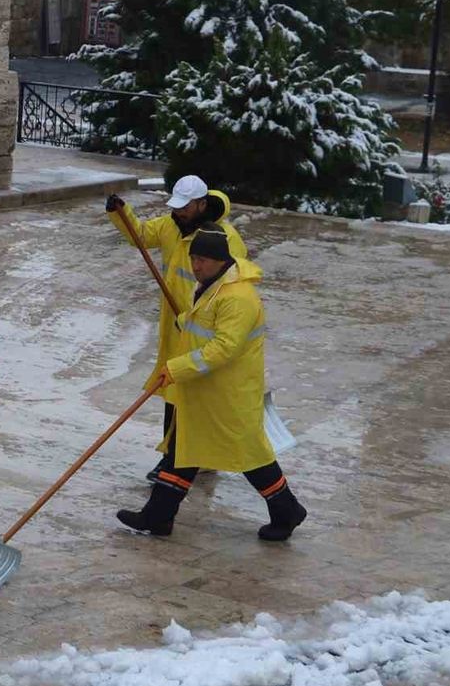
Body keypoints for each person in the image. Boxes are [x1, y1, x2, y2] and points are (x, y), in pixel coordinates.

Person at [115, 222, 307, 542]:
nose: (196, 266)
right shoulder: (212, 285)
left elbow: (224, 348)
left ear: (221, 260)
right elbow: (202, 325)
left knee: (250, 456)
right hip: (206, 390)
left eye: (202, 260)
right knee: (184, 452)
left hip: (229, 394)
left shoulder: (238, 298)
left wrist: (177, 368)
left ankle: (287, 510)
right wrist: (183, 323)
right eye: (193, 259)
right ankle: (158, 516)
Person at [106, 176, 247, 483]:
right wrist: (121, 213)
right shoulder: (171, 226)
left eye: (185, 208)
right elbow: (140, 235)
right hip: (175, 325)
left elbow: (236, 279)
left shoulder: (222, 236)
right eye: (177, 207)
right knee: (175, 388)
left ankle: (177, 460)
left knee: (193, 391)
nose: (179, 213)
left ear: (201, 204)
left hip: (205, 328)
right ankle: (182, 457)